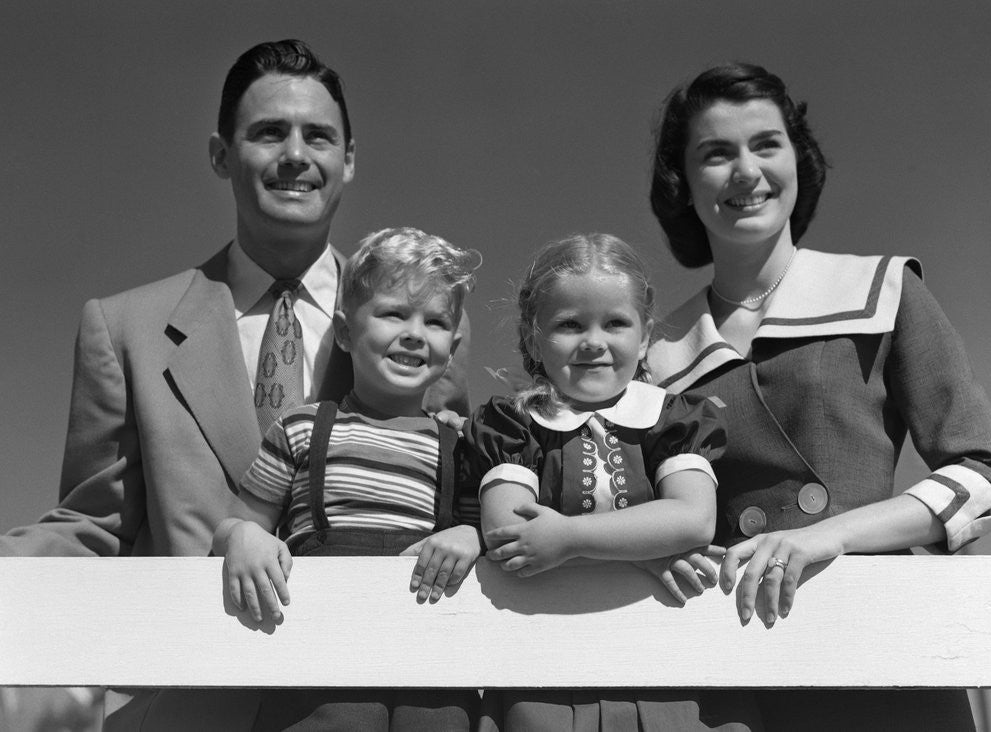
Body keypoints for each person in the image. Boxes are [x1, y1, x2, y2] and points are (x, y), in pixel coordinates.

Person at [0, 40, 469, 730]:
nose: (295, 155)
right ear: (222, 155)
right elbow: (91, 527)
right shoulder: (124, 327)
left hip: (367, 699)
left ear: (349, 159)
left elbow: (451, 504)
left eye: (318, 136)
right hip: (192, 708)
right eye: (268, 132)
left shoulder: (422, 335)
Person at [645, 62, 991, 731]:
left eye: (766, 144)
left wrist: (831, 536)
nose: (745, 171)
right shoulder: (654, 355)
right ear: (684, 183)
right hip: (729, 670)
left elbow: (990, 478)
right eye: (715, 153)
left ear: (798, 160)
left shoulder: (884, 291)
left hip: (882, 653)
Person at [468, 233, 757, 731]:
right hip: (543, 672)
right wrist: (645, 547)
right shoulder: (513, 424)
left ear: (645, 336)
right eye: (569, 324)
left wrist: (571, 537)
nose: (594, 341)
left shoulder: (673, 418)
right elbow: (510, 533)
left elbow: (692, 519)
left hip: (665, 671)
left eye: (616, 323)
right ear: (533, 338)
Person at [216, 227, 482, 730]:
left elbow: (488, 540)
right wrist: (245, 536)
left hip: (433, 672)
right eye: (393, 313)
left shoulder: (463, 446)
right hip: (316, 667)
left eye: (435, 321)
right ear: (343, 331)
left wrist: (471, 535)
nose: (414, 332)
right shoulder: (301, 427)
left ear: (453, 346)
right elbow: (234, 527)